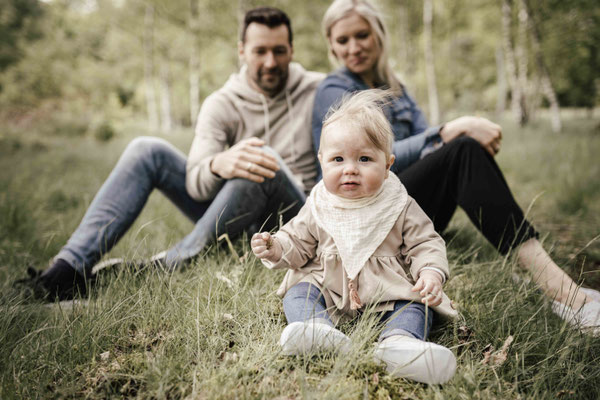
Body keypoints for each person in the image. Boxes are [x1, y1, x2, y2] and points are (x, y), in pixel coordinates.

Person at [311, 0, 600, 332]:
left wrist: (452, 133)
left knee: (462, 148)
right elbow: (360, 159)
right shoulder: (333, 89)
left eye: (361, 35)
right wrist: (451, 130)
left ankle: (549, 279)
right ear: (331, 45)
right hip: (361, 215)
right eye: (342, 40)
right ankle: (561, 291)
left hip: (401, 210)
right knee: (461, 147)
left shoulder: (397, 88)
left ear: (378, 34)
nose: (354, 47)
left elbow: (430, 148)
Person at [17, 7, 325, 301]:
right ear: (242, 50)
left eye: (279, 51)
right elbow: (196, 184)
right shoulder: (221, 104)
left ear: (292, 50)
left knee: (262, 160)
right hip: (236, 220)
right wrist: (218, 165)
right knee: (146, 149)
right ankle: (65, 270)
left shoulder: (318, 89)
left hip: (297, 217)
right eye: (260, 51)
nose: (270, 62)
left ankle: (166, 265)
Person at [252, 90, 457, 385]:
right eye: (338, 159)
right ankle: (316, 329)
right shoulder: (320, 203)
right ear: (322, 161)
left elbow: (425, 242)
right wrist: (275, 246)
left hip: (387, 290)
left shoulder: (398, 203)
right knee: (298, 292)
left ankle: (400, 343)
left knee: (416, 306)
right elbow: (297, 241)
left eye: (364, 159)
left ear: (387, 165)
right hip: (329, 286)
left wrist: (430, 272)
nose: (350, 169)